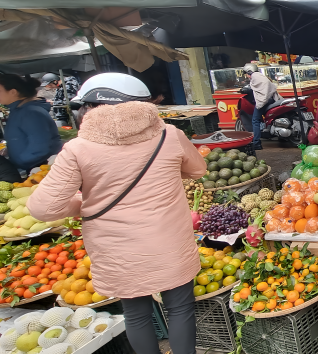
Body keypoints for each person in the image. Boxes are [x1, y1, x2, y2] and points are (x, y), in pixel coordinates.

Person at [27, 73, 206, 354]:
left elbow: (42, 207)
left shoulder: (77, 148)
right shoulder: (169, 136)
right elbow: (197, 170)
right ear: (144, 107)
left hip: (115, 248)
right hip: (168, 240)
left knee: (136, 314)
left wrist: (84, 205)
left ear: (88, 109)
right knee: (180, 308)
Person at [0, 74, 62, 172]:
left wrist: (17, 163)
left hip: (41, 169)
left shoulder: (31, 113)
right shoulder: (18, 110)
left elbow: (40, 147)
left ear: (13, 92)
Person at [243, 63, 281, 150]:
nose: (247, 76)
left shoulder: (255, 76)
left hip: (264, 100)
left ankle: (256, 143)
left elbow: (261, 90)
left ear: (249, 71)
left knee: (255, 120)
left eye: (247, 73)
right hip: (270, 99)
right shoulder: (260, 75)